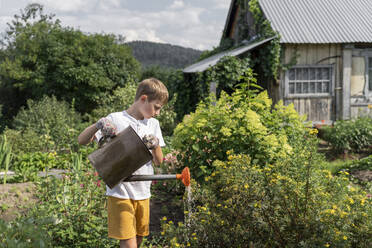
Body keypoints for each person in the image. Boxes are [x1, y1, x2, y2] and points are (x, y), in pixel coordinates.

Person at [78, 78, 168, 248]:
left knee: (138, 239)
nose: (157, 113)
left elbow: (159, 162)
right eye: (156, 107)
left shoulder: (153, 124)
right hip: (120, 191)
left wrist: (155, 145)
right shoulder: (116, 119)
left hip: (143, 191)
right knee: (128, 243)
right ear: (143, 99)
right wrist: (98, 125)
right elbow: (81, 140)